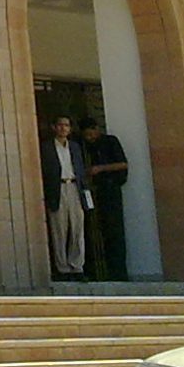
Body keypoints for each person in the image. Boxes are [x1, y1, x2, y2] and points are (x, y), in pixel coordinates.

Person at [81, 118, 133, 280]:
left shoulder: (110, 141)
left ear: (97, 129)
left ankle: (118, 272)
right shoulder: (84, 146)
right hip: (94, 191)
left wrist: (100, 169)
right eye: (86, 135)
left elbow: (123, 164)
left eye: (91, 134)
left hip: (110, 189)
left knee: (114, 230)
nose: (89, 138)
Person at [41, 115, 88, 279]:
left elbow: (80, 168)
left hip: (74, 187)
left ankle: (77, 266)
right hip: (57, 188)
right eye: (60, 125)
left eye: (66, 125)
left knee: (77, 228)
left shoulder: (75, 147)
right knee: (59, 229)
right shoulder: (46, 147)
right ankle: (62, 268)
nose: (63, 128)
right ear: (54, 127)